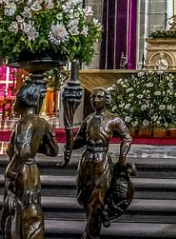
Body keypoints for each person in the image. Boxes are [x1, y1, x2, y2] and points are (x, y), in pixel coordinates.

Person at [72, 88, 134, 239]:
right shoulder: (88, 119)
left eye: (99, 97)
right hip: (86, 161)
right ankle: (93, 229)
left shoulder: (113, 119)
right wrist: (69, 141)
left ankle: (90, 234)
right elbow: (78, 141)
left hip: (102, 162)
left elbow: (127, 138)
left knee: (97, 200)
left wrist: (122, 157)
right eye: (93, 97)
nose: (95, 100)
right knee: (86, 197)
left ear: (106, 100)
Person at [1, 82, 59, 239]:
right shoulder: (42, 123)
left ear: (21, 100)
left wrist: (11, 171)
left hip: (22, 171)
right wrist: (35, 148)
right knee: (31, 205)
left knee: (20, 208)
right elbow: (53, 150)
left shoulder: (24, 123)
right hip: (33, 171)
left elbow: (23, 150)